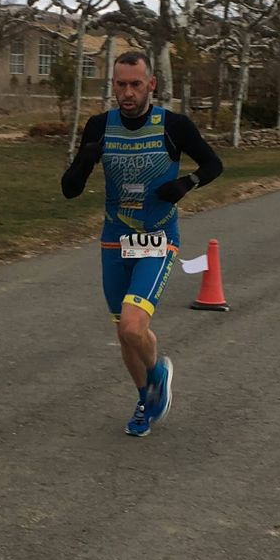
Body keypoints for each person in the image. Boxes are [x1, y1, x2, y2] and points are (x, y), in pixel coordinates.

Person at [62, 51, 224, 437]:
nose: (128, 92)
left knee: (134, 327)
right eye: (120, 84)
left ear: (151, 84)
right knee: (124, 332)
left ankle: (158, 374)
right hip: (114, 241)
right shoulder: (100, 126)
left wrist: (186, 184)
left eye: (136, 84)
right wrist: (85, 160)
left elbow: (213, 165)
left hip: (157, 239)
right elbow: (69, 190)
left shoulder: (173, 125)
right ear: (113, 86)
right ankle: (145, 397)